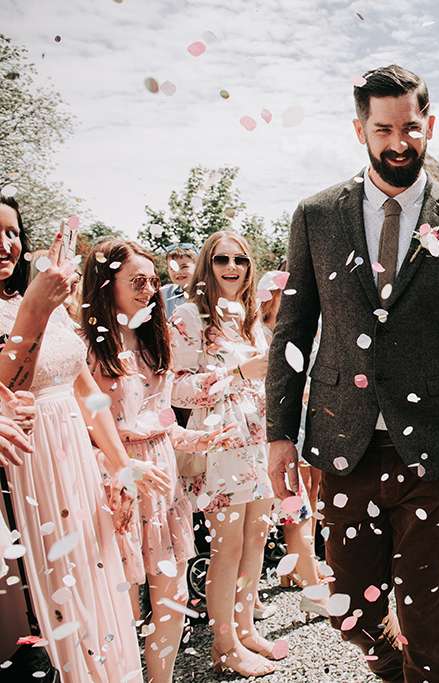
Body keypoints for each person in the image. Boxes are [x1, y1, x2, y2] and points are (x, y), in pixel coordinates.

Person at [264, 64, 439, 683]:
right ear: (360, 130)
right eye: (384, 130)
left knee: (427, 617)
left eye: (410, 128)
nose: (399, 143)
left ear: (430, 125)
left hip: (435, 444)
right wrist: (280, 433)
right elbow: (292, 329)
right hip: (344, 441)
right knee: (350, 610)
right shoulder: (317, 215)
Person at [0, 197, 170, 683]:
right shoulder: (34, 306)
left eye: (12, 232)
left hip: (75, 457)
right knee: (55, 590)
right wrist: (34, 309)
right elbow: (7, 388)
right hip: (27, 464)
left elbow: (87, 392)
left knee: (97, 575)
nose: (5, 244)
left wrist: (120, 465)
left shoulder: (45, 307)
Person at [80, 239, 224, 683]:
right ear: (106, 285)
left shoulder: (152, 343)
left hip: (163, 482)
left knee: (172, 598)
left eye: (151, 281)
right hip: (114, 484)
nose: (149, 291)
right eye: (137, 282)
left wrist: (201, 439)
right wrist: (122, 466)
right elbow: (75, 432)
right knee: (122, 604)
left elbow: (162, 423)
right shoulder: (86, 349)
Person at [169, 231, 282, 677]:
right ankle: (224, 645)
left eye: (241, 259)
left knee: (257, 539)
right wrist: (236, 372)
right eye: (222, 259)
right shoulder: (189, 316)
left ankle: (245, 629)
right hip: (221, 443)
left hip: (259, 439)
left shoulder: (251, 318)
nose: (232, 267)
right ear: (207, 264)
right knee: (227, 546)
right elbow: (175, 388)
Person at [256, 267, 326, 618]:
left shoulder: (307, 328)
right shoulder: (260, 334)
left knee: (311, 493)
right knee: (293, 498)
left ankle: (301, 565)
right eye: (282, 295)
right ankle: (305, 574)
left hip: (307, 417)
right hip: (278, 423)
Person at [159, 243, 196, 318]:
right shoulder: (163, 293)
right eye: (172, 268)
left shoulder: (210, 293)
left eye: (184, 267)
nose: (178, 272)